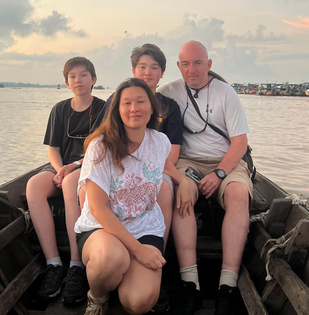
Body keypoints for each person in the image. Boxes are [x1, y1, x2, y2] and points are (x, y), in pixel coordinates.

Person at [91, 44, 192, 313]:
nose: (134, 108)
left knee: (139, 302)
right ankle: (96, 293)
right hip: (107, 226)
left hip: (144, 225)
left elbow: (165, 164)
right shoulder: (101, 145)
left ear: (153, 109)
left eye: (141, 103)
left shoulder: (159, 141)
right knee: (112, 259)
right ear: (117, 107)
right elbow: (97, 207)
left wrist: (184, 180)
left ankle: (148, 268)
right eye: (127, 103)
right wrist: (137, 250)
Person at [157, 41, 253, 315]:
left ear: (209, 65)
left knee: (237, 194)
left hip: (225, 160)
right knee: (180, 192)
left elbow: (240, 143)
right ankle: (191, 283)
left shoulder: (226, 93)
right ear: (178, 66)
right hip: (187, 161)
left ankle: (228, 283)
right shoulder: (170, 91)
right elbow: (140, 98)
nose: (192, 69)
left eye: (198, 63)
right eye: (185, 63)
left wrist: (220, 173)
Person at [26, 57, 105, 304]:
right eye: (72, 76)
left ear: (93, 79)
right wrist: (60, 170)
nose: (78, 80)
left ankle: (76, 264)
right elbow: (53, 149)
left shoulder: (105, 109)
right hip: (62, 167)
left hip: (90, 167)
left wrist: (72, 169)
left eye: (83, 75)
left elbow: (104, 149)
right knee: (34, 186)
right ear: (66, 82)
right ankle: (53, 263)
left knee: (72, 184)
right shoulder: (60, 109)